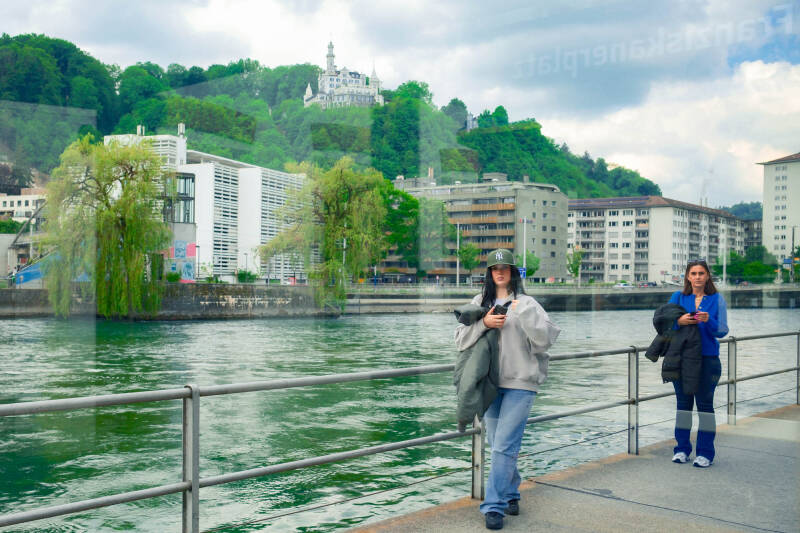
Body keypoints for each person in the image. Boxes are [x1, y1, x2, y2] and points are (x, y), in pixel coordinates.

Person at [454, 249, 560, 530]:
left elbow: (545, 340)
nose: (499, 272)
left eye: (505, 267)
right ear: (489, 273)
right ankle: (512, 493)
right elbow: (460, 340)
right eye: (494, 268)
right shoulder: (480, 302)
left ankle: (493, 506)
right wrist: (484, 323)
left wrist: (522, 314)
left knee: (503, 446)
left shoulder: (528, 303)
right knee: (496, 445)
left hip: (520, 384)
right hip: (489, 384)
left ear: (513, 272)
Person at [668, 259, 728, 468]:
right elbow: (665, 324)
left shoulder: (716, 299)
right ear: (687, 276)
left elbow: (722, 331)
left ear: (707, 276)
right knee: (683, 406)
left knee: (705, 406)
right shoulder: (678, 297)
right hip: (682, 360)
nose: (697, 277)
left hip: (708, 360)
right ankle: (682, 449)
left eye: (701, 273)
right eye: (693, 273)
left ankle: (705, 453)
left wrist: (707, 320)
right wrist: (679, 321)